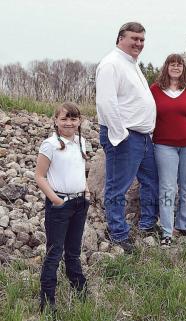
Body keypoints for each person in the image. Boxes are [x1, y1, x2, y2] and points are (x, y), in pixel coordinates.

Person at [96, 22, 159, 253]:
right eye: (134, 38)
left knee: (151, 181)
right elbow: (106, 102)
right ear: (120, 38)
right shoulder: (111, 64)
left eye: (142, 40)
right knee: (117, 187)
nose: (139, 44)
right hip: (125, 137)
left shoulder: (131, 64)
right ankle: (118, 233)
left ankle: (147, 225)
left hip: (142, 138)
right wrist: (119, 135)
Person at [35, 102, 90, 313]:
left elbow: (79, 170)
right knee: (54, 252)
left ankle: (80, 292)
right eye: (64, 119)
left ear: (79, 121)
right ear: (56, 120)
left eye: (73, 118)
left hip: (79, 203)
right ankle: (47, 302)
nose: (69, 123)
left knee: (73, 252)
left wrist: (86, 192)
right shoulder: (49, 145)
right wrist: (57, 201)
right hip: (60, 205)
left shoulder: (82, 142)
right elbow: (40, 177)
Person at [150, 54, 186, 247]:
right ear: (166, 67)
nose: (175, 67)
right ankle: (166, 231)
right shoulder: (155, 89)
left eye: (179, 65)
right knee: (167, 187)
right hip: (164, 145)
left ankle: (185, 225)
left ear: (184, 68)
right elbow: (146, 113)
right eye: (172, 64)